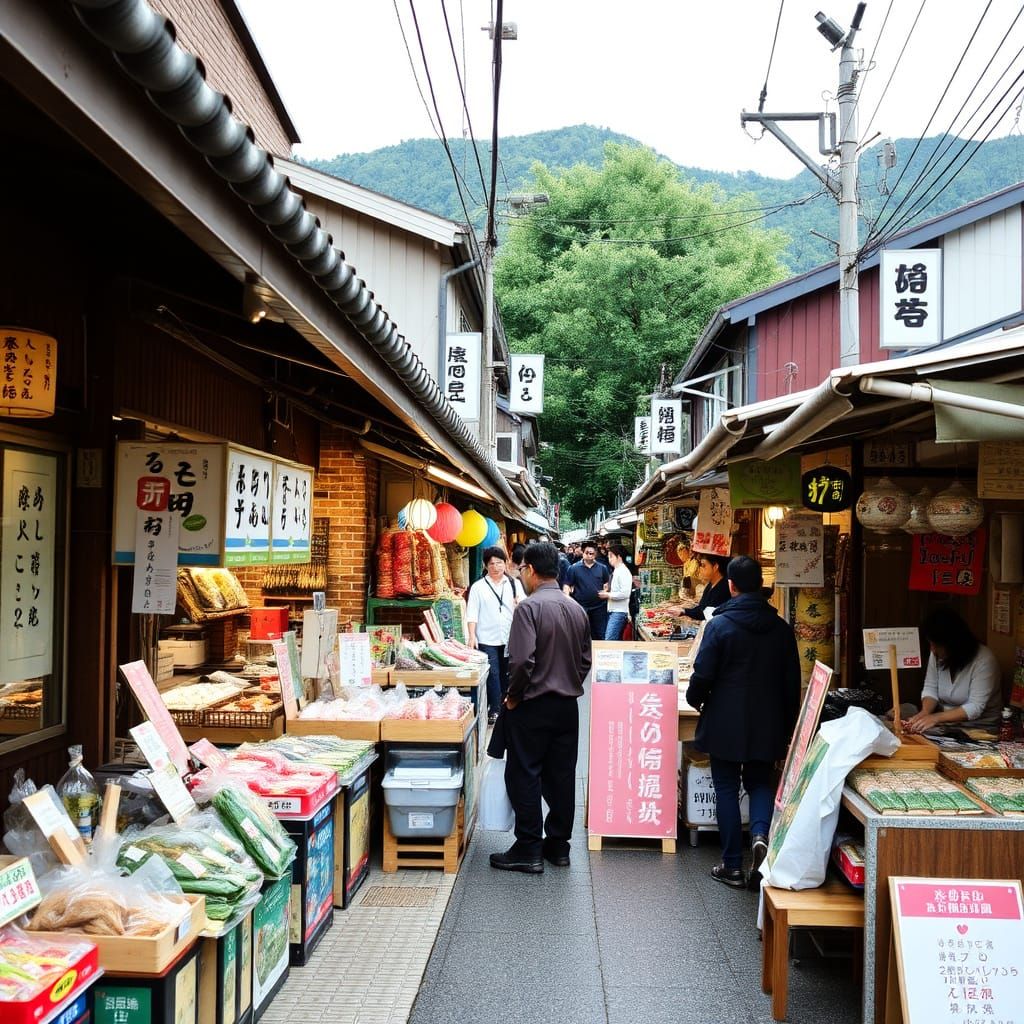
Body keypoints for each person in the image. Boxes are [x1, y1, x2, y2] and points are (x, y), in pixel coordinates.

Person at [686, 556, 800, 889]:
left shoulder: (720, 625)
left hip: (724, 718)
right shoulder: (781, 629)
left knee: (725, 786)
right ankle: (761, 835)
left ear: (731, 586)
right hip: (768, 720)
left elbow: (703, 673)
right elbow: (792, 682)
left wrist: (695, 699)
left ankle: (732, 865)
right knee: (760, 782)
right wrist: (788, 724)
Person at [490, 542, 591, 874]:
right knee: (562, 775)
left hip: (532, 704)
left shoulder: (528, 609)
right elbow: (585, 661)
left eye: (521, 569)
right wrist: (567, 680)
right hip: (566, 707)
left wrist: (515, 695)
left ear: (530, 570)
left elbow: (520, 660)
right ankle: (558, 846)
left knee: (525, 773)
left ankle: (529, 847)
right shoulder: (576, 609)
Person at [904, 607, 1002, 733]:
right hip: (946, 722)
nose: (932, 650)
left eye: (936, 645)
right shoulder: (936, 654)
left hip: (980, 725)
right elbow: (930, 688)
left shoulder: (984, 660)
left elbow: (975, 707)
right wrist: (924, 713)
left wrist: (935, 718)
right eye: (930, 644)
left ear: (953, 643)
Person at [466, 546, 524, 724]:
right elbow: (472, 613)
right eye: (492, 563)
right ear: (486, 566)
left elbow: (524, 606)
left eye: (500, 562)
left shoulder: (514, 584)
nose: (496, 567)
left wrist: (518, 605)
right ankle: (495, 709)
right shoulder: (478, 587)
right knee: (492, 673)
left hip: (509, 636)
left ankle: (506, 705)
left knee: (507, 673)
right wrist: (471, 636)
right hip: (486, 637)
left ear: (506, 563)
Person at [563, 541, 611, 640]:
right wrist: (567, 599)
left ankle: (600, 653)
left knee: (601, 632)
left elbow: (606, 584)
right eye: (587, 553)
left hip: (599, 606)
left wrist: (605, 591)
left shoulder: (603, 568)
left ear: (595, 554)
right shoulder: (574, 568)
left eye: (592, 553)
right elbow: (567, 585)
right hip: (581, 606)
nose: (589, 555)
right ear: (583, 553)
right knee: (580, 632)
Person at [682, 553, 732, 621]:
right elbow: (702, 608)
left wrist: (684, 611)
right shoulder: (711, 584)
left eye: (703, 565)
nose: (700, 569)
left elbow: (705, 614)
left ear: (715, 567)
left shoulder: (724, 588)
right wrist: (684, 611)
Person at [604, 544, 634, 641]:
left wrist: (608, 595)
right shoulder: (617, 571)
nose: (609, 559)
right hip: (614, 610)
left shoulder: (623, 572)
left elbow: (625, 593)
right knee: (613, 640)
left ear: (619, 557)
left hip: (619, 612)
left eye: (611, 556)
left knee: (610, 640)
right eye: (609, 556)